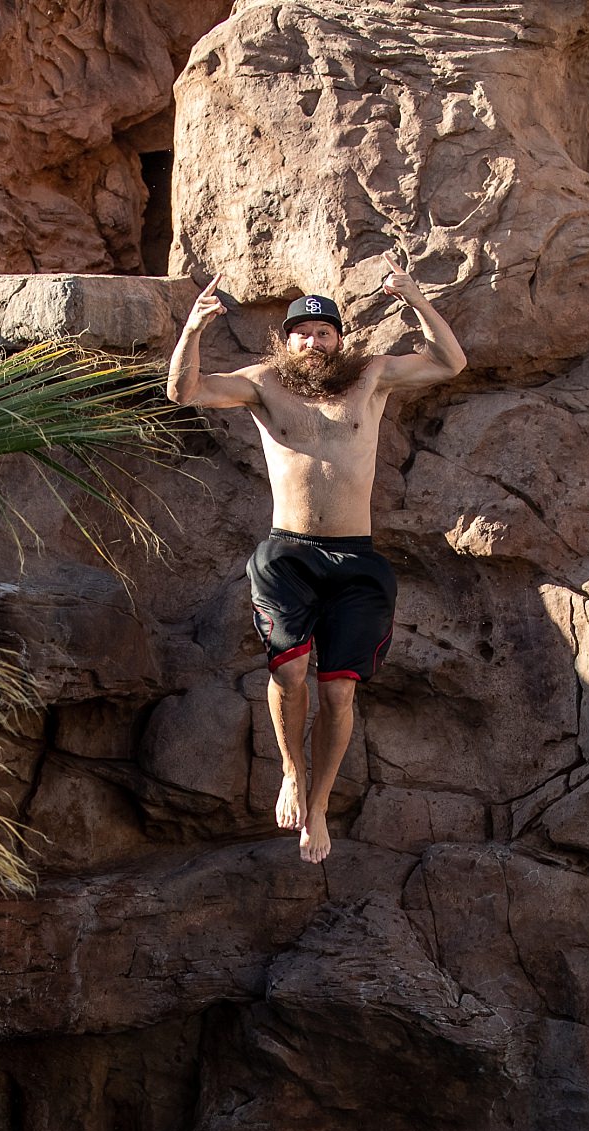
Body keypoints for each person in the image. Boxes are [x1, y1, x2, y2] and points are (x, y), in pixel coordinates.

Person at [165, 256, 467, 862]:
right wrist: (192, 330)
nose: (312, 342)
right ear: (288, 339)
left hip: (356, 559)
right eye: (302, 333)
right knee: (289, 673)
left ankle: (320, 804)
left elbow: (449, 362)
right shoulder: (262, 383)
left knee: (338, 695)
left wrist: (415, 299)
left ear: (338, 339)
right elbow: (184, 390)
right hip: (288, 555)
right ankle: (289, 773)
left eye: (323, 333)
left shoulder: (371, 376)